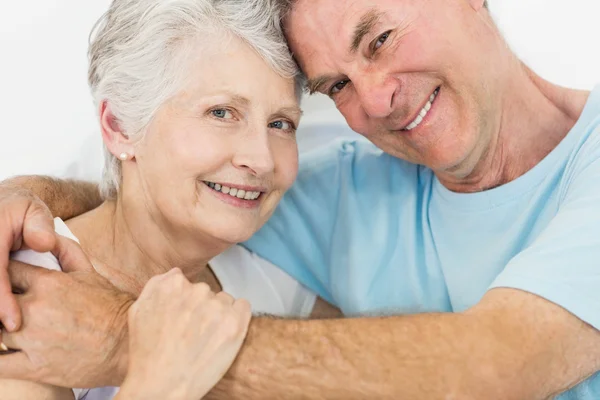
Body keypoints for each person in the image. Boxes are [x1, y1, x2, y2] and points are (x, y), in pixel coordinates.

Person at [1, 0, 600, 398]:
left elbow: (500, 364)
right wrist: (23, 199)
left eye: (382, 39)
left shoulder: (277, 255)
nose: (377, 98)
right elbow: (150, 196)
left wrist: (129, 340)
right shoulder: (326, 194)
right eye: (336, 85)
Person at [0, 0, 342, 398]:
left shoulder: (274, 279)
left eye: (281, 123)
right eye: (221, 113)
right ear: (120, 127)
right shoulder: (27, 296)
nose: (262, 159)